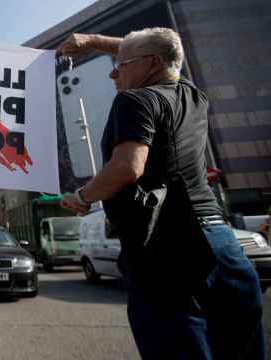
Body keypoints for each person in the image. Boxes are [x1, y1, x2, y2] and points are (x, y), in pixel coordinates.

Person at [60, 28, 265, 359]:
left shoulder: (135, 99)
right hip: (224, 246)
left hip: (166, 249)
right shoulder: (195, 96)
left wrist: (82, 197)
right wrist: (97, 42)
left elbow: (128, 167)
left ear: (152, 65)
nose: (114, 71)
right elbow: (170, 53)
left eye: (122, 64)